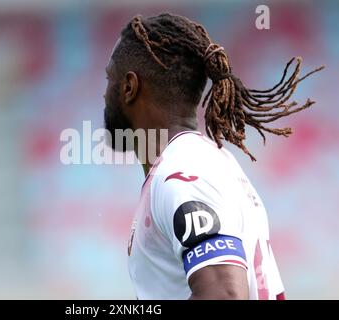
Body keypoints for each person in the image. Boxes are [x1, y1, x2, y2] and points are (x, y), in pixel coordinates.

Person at [103, 12, 324, 299]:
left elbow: (225, 295)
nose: (104, 94)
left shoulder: (183, 174)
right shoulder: (203, 163)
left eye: (110, 78)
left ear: (129, 87)